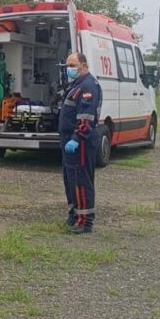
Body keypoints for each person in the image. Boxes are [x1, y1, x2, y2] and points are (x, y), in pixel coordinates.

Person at [59, 52, 102, 234]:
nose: (69, 69)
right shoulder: (76, 85)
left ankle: (85, 221)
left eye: (72, 65)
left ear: (83, 65)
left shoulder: (88, 86)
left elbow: (86, 117)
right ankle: (74, 214)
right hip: (69, 141)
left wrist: (77, 138)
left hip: (81, 142)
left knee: (81, 181)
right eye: (67, 65)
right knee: (70, 180)